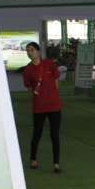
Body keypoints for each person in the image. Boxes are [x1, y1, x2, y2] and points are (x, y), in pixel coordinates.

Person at [21, 41, 64, 173]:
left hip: (54, 106)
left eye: (32, 50)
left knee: (54, 135)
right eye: (28, 50)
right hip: (39, 107)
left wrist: (52, 95)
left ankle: (56, 163)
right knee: (37, 134)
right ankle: (33, 159)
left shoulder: (49, 64)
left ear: (38, 51)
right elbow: (29, 88)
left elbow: (56, 82)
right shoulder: (27, 70)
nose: (30, 53)